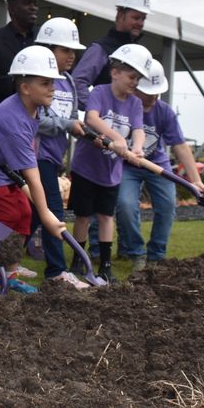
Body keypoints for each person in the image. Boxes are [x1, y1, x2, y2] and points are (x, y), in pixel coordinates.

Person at [0, 46, 68, 295]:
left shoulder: (30, 109)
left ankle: (11, 273)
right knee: (3, 217)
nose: (53, 88)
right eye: (46, 83)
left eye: (53, 82)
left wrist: (41, 211)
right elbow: (32, 174)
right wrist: (47, 214)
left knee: (24, 213)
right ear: (26, 87)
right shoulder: (13, 119)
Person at [68, 44, 152, 285]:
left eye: (138, 78)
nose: (135, 82)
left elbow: (138, 129)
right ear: (115, 72)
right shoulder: (100, 93)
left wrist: (136, 148)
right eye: (132, 76)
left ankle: (105, 265)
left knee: (106, 216)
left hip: (111, 173)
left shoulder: (135, 103)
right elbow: (92, 118)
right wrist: (116, 138)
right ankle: (78, 259)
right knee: (83, 216)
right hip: (86, 168)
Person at [117, 60, 204, 269]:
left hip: (157, 165)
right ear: (135, 87)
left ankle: (156, 255)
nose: (154, 97)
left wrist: (196, 180)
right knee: (126, 205)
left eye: (158, 92)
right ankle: (136, 252)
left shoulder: (164, 111)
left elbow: (180, 146)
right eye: (149, 92)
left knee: (166, 205)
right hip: (127, 167)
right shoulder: (122, 108)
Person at [33, 17, 91, 288]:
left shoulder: (67, 81)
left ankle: (1, 260)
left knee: (31, 213)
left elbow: (70, 124)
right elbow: (37, 121)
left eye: (73, 51)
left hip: (54, 158)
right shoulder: (37, 80)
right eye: (65, 50)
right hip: (36, 155)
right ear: (47, 49)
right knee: (54, 211)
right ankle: (56, 270)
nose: (72, 56)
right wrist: (68, 125)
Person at [72, 0, 151, 106]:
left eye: (143, 19)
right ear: (120, 15)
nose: (140, 23)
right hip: (103, 122)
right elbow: (77, 82)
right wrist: (97, 110)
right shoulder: (100, 48)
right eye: (136, 17)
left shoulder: (140, 51)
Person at [0, 0, 41, 106]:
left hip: (39, 118)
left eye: (35, 3)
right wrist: (19, 82)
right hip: (4, 114)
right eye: (27, 3)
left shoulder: (43, 39)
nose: (33, 8)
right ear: (11, 7)